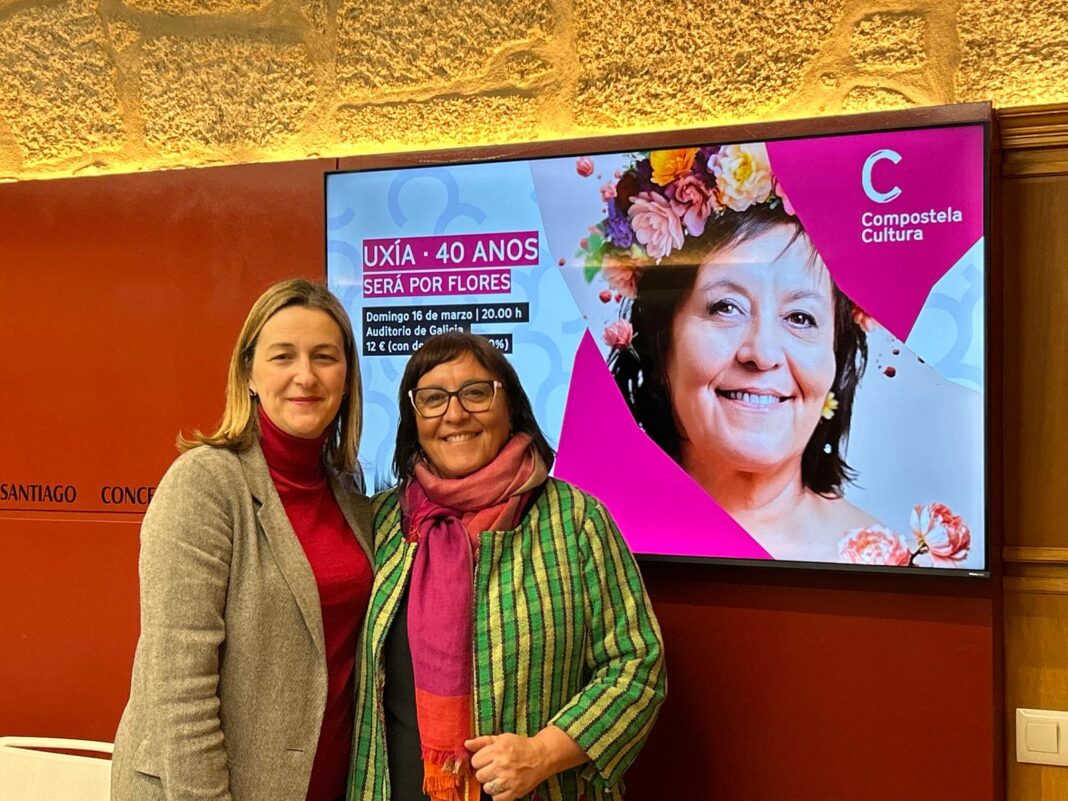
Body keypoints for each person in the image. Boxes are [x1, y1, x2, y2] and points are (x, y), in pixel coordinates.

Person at [348, 332, 665, 801]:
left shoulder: (576, 519)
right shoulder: (383, 523)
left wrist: (543, 753)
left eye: (476, 393)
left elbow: (637, 666)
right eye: (433, 399)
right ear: (413, 420)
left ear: (511, 405)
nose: (455, 414)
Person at [111, 278, 374, 801]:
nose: (305, 375)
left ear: (347, 378)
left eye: (325, 357)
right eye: (283, 356)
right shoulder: (204, 483)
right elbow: (178, 686)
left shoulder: (348, 490)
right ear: (249, 374)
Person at [593, 144, 875, 562]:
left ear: (836, 356)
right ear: (660, 340)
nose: (762, 353)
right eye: (726, 307)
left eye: (800, 318)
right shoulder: (588, 550)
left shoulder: (894, 558)